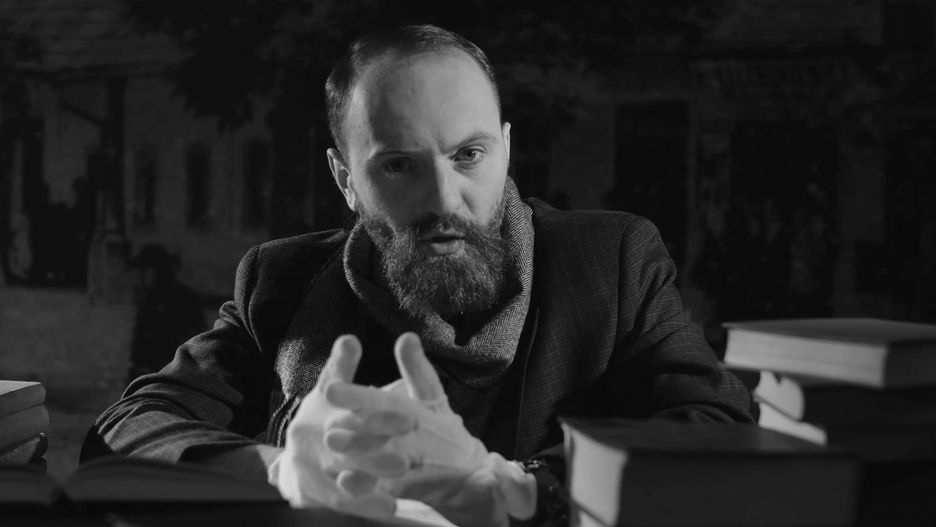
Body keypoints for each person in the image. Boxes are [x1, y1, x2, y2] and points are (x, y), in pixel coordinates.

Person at [84, 24, 753, 526]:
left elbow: (720, 425)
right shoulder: (281, 283)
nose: (443, 199)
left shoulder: (613, 261)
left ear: (506, 148)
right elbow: (128, 425)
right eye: (399, 165)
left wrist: (521, 490)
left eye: (468, 154)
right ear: (346, 179)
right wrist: (277, 468)